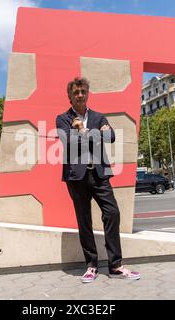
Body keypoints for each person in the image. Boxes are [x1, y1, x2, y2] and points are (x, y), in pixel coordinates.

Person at [56, 77, 140, 283]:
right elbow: (68, 140)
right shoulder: (62, 119)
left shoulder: (99, 116)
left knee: (112, 213)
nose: (80, 95)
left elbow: (111, 137)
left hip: (100, 174)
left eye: (83, 91)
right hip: (77, 177)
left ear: (87, 94)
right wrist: (93, 135)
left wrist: (83, 131)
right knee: (84, 220)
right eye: (75, 92)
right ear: (69, 96)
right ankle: (91, 265)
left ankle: (116, 265)